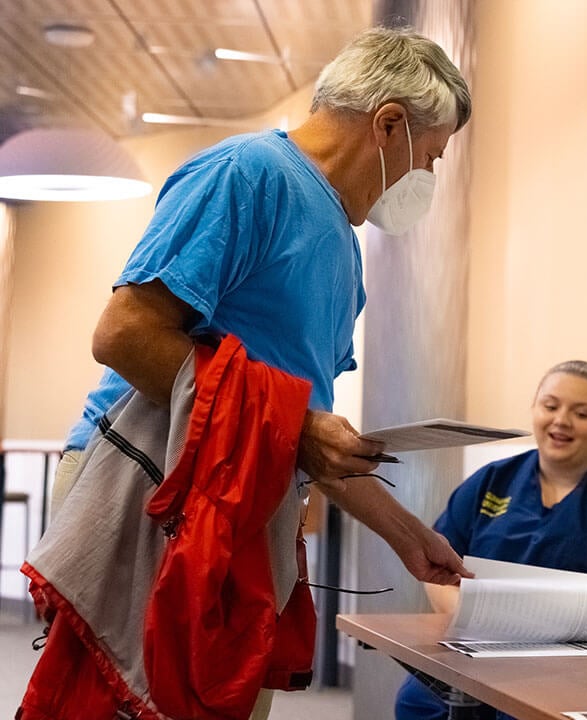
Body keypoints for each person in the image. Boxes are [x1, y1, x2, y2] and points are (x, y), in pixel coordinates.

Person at [35, 26, 473, 718]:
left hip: (242, 499)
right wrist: (298, 426)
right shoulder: (249, 175)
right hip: (154, 483)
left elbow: (304, 440)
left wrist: (409, 535)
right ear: (389, 124)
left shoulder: (344, 252)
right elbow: (124, 334)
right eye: (432, 156)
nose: (430, 178)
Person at [394, 360, 587, 720]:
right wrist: (470, 617)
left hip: (576, 657)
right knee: (419, 702)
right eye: (550, 406)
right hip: (482, 645)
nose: (561, 420)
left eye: (581, 413)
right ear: (535, 410)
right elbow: (437, 569)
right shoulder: (493, 480)